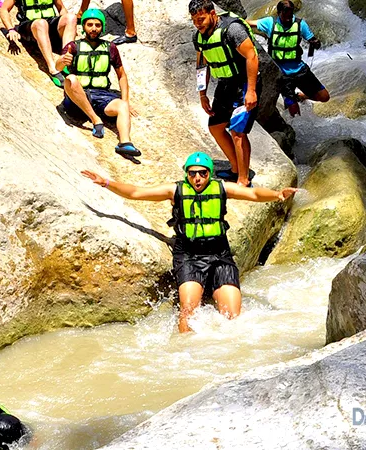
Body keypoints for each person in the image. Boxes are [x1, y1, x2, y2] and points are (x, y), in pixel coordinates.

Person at [81, 152, 297, 332]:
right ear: (187, 174)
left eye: (202, 173)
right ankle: (185, 351)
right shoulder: (175, 190)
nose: (197, 178)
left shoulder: (222, 188)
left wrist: (277, 194)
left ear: (209, 174)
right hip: (189, 257)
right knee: (188, 311)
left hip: (220, 255)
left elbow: (253, 194)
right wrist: (106, 183)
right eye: (192, 174)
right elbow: (137, 192)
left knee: (233, 317)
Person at [190, 0, 260, 187]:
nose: (198, 24)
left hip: (245, 83)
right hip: (226, 84)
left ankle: (243, 180)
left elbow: (252, 56)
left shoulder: (232, 30)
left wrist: (251, 90)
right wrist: (202, 94)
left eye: (201, 19)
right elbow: (202, 66)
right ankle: (236, 168)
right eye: (195, 20)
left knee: (237, 132)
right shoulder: (199, 37)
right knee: (216, 127)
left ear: (213, 13)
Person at [56, 9, 140, 158]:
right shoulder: (73, 46)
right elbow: (57, 67)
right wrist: (62, 62)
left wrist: (126, 102)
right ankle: (96, 120)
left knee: (121, 106)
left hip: (102, 96)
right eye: (90, 24)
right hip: (78, 97)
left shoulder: (110, 48)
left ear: (102, 27)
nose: (94, 28)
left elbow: (122, 76)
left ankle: (125, 143)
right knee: (71, 79)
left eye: (97, 25)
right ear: (84, 26)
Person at [249, 0, 330, 117]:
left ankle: (300, 96)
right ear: (278, 13)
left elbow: (311, 38)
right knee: (294, 112)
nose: (288, 19)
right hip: (282, 74)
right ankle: (291, 106)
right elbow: (249, 23)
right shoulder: (270, 23)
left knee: (324, 97)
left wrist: (315, 42)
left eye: (290, 16)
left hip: (299, 69)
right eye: (285, 16)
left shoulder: (300, 24)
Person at [0, 0, 76, 88]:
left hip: (49, 22)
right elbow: (4, 10)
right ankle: (52, 68)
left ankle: (65, 60)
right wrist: (10, 29)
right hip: (29, 26)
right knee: (41, 23)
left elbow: (61, 8)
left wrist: (67, 27)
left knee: (71, 18)